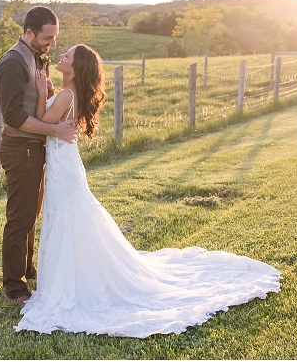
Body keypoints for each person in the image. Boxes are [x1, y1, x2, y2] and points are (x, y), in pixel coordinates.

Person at [14, 44, 282, 338]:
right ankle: (73, 276)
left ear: (76, 68)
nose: (62, 56)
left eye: (67, 55)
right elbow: (52, 120)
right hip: (65, 167)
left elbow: (42, 124)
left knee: (68, 218)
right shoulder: (68, 94)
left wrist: (42, 92)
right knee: (70, 218)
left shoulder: (66, 94)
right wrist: (49, 92)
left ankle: (74, 281)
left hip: (63, 170)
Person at [0, 6, 79, 306]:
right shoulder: (13, 63)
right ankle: (14, 289)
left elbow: (35, 101)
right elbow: (14, 116)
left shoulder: (35, 58)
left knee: (31, 214)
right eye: (48, 37)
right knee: (19, 219)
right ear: (29, 32)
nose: (52, 44)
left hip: (34, 149)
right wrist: (54, 130)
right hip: (19, 149)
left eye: (55, 38)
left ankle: (27, 269)